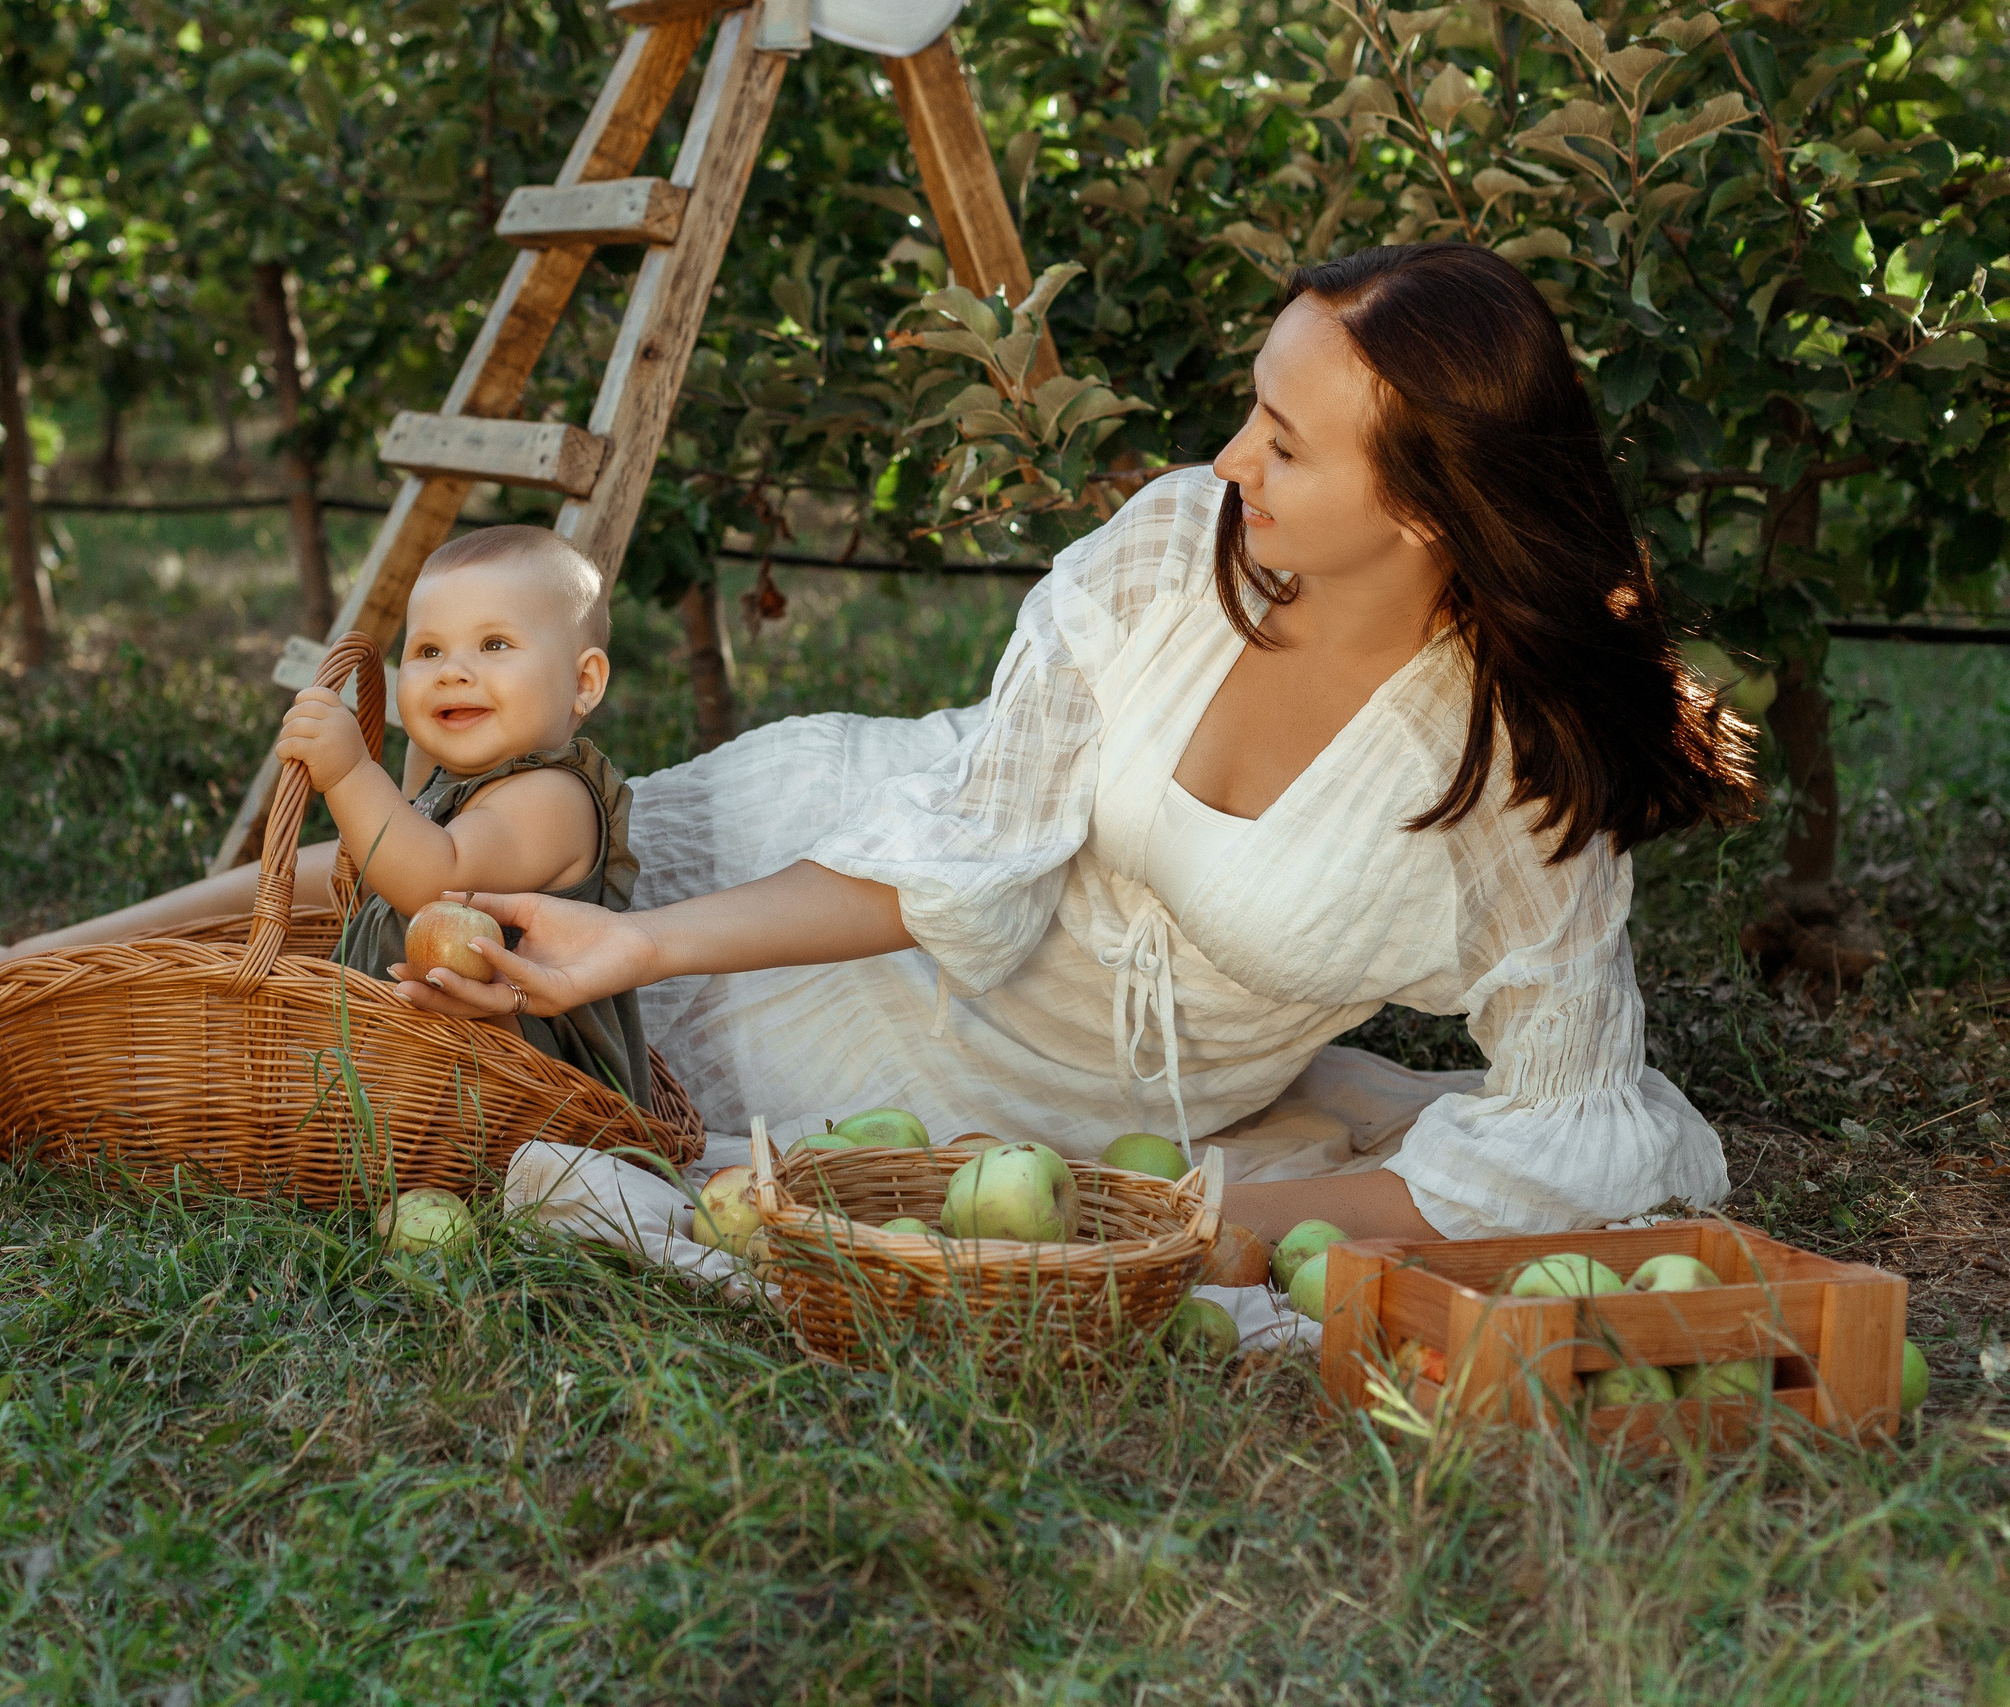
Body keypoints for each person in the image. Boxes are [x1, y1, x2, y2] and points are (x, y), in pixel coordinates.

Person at [389, 243, 1758, 1244]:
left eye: (1284, 446)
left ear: (1426, 514)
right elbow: (955, 847)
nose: (1227, 464)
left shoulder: (1506, 772)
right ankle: (157, 940)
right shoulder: (1179, 549)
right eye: (1250, 412)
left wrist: (1244, 1225)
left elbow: (1576, 1125)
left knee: (487, 1067)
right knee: (414, 878)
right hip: (830, 863)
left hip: (1044, 1105)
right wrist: (651, 942)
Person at [0, 525, 653, 1104]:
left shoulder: (553, 799)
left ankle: (25, 989)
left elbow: (430, 878)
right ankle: (26, 962)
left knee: (229, 1013)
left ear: (584, 682)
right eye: (426, 650)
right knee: (289, 876)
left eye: (494, 643)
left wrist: (353, 769)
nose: (453, 669)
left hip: (527, 1096)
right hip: (408, 1065)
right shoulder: (464, 777)